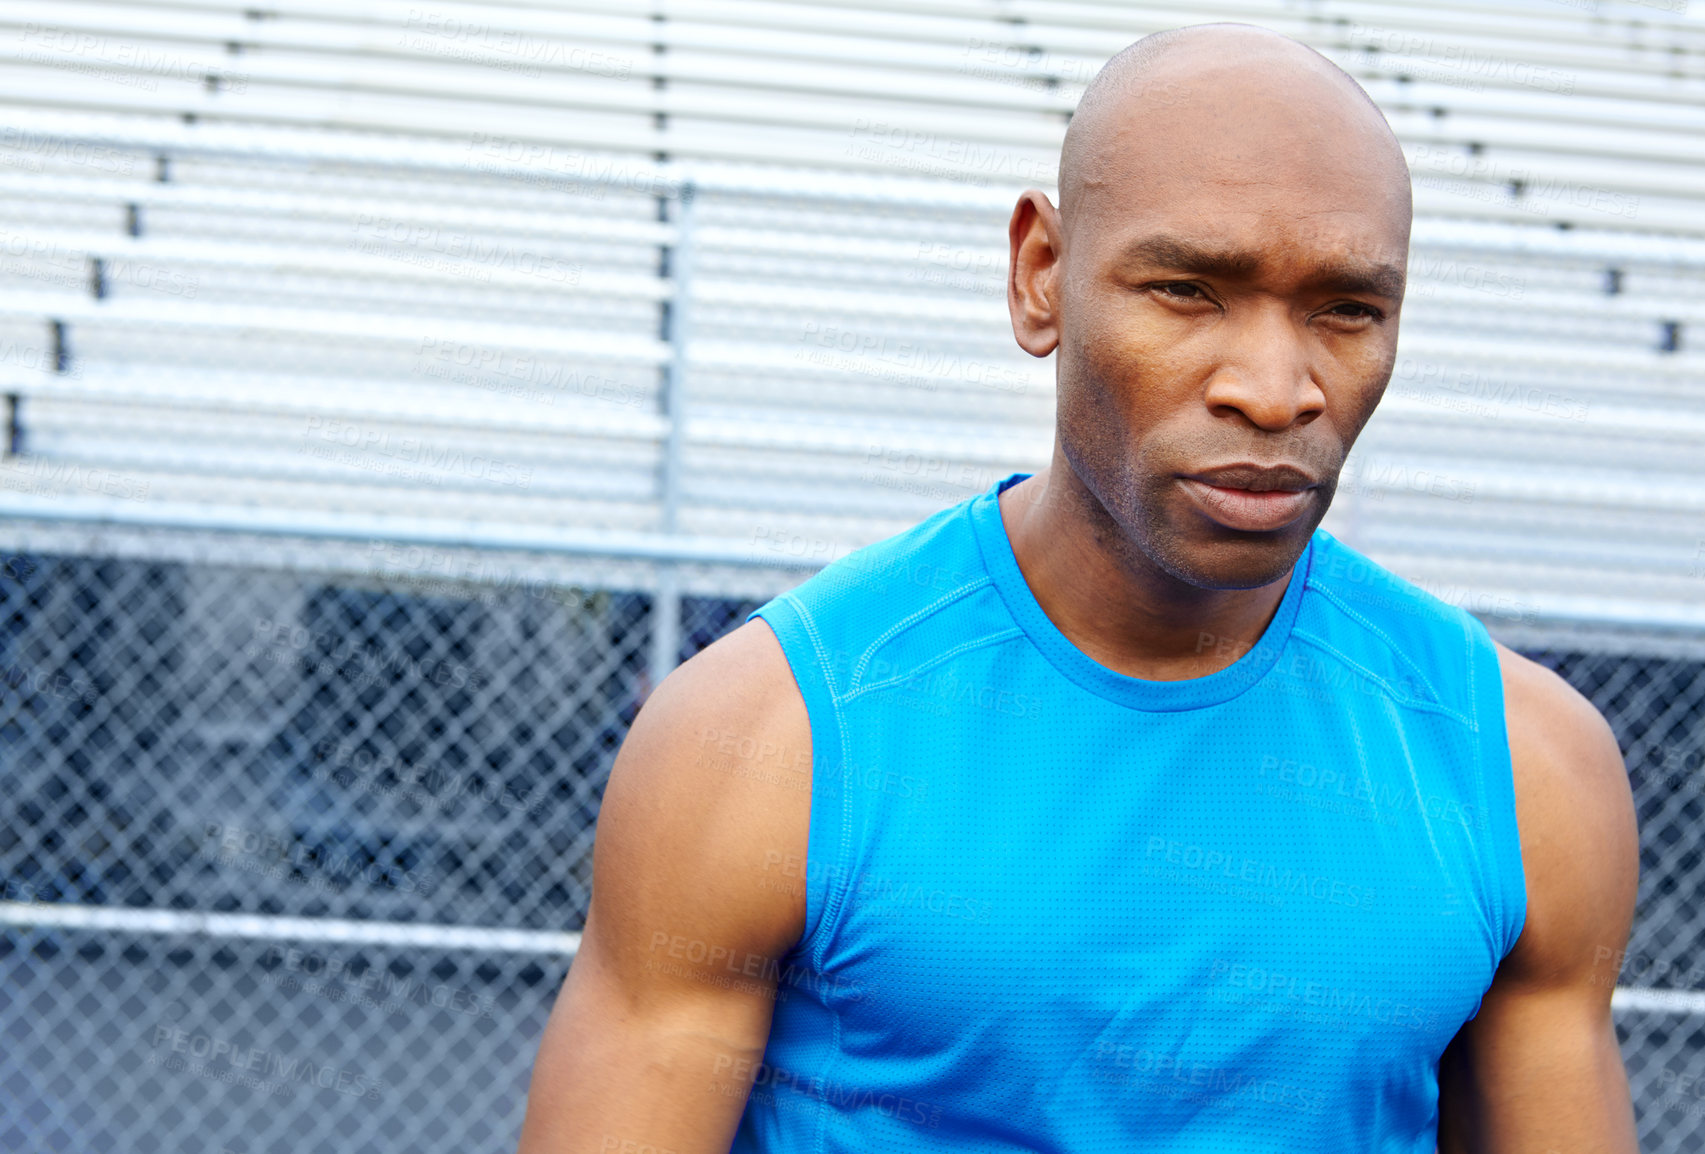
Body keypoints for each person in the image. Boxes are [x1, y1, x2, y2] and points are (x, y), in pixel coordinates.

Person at [517, 23, 1639, 1153]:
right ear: (1041, 277)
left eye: (1345, 309)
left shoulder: (1527, 768)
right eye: (1188, 290)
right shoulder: (765, 736)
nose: (1273, 387)